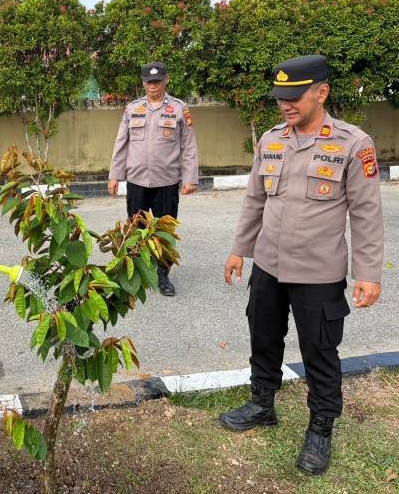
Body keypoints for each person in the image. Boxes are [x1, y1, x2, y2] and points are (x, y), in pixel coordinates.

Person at [220, 54, 384, 476]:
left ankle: (321, 430)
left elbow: (366, 213)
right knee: (263, 336)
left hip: (319, 273)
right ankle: (262, 404)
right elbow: (255, 200)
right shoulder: (272, 140)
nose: (285, 106)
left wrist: (368, 273)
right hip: (269, 267)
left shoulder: (352, 144)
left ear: (321, 92)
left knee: (320, 351)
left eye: (294, 97)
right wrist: (239, 249)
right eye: (280, 98)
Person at [108, 61, 199, 295]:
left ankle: (163, 275)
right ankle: (135, 273)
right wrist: (115, 175)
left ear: (166, 80)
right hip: (137, 180)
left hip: (167, 182)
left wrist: (190, 177)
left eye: (157, 81)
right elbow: (121, 143)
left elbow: (188, 146)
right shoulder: (132, 109)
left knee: (164, 233)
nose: (153, 86)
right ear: (143, 82)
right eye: (149, 81)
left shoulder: (179, 109)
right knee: (135, 228)